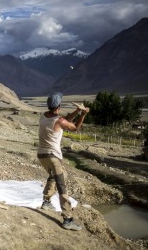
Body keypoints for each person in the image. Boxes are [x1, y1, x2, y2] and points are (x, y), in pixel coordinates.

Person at [37, 93, 89, 231]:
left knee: (57, 175)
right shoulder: (59, 121)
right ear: (59, 107)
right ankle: (67, 219)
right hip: (53, 157)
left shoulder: (44, 116)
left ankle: (47, 201)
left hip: (41, 155)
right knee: (62, 185)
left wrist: (77, 111)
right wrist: (83, 114)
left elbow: (64, 120)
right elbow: (75, 128)